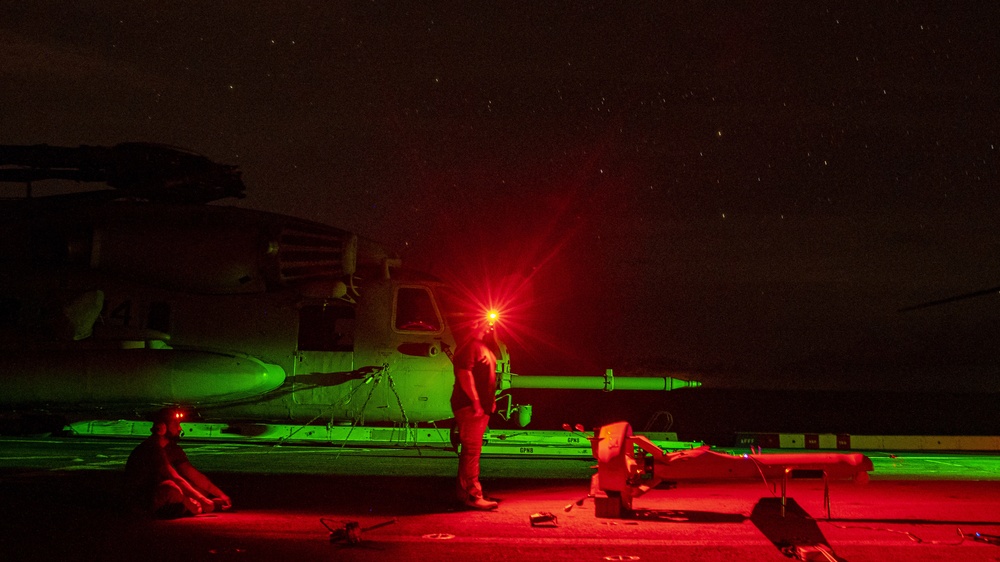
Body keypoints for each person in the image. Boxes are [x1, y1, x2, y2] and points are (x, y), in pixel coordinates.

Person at [124, 408, 232, 519]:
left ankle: (186, 507)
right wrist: (202, 500)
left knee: (199, 488)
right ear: (162, 427)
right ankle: (187, 506)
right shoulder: (152, 448)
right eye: (176, 424)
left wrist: (220, 494)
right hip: (142, 499)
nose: (180, 428)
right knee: (172, 488)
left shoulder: (172, 449)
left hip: (163, 494)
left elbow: (194, 475)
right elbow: (175, 478)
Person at [450, 317, 500, 510]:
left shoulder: (482, 347)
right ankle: (472, 495)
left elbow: (488, 377)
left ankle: (466, 493)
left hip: (478, 407)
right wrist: (476, 402)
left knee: (471, 451)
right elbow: (464, 373)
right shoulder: (470, 346)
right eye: (484, 321)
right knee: (471, 451)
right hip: (470, 407)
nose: (489, 325)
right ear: (472, 323)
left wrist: (491, 400)